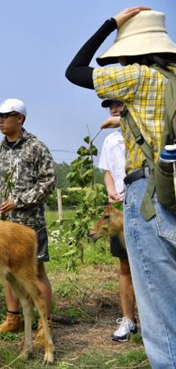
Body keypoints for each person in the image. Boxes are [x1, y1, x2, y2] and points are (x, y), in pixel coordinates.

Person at [66, 8, 176, 367]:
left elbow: (75, 70)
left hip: (149, 195)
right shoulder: (172, 78)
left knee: (160, 314)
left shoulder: (138, 78)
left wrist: (110, 23)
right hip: (172, 183)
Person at [0, 98, 55, 344]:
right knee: (7, 272)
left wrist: (19, 200)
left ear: (20, 119)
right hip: (4, 226)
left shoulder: (36, 147)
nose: (0, 121)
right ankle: (13, 318)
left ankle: (44, 324)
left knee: (36, 271)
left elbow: (48, 182)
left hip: (30, 223)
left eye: (5, 116)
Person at [99, 99, 138, 342]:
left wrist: (124, 122)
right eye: (110, 105)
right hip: (121, 209)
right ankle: (128, 320)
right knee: (124, 267)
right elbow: (107, 172)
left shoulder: (142, 130)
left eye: (119, 102)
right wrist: (110, 190)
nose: (113, 107)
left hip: (144, 203)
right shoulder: (109, 140)